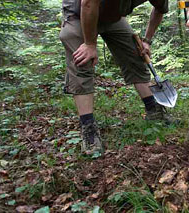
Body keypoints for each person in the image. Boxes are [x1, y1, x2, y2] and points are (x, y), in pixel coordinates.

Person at [59, 0, 175, 154]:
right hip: (79, 14)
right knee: (82, 60)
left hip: (112, 17)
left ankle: (154, 111)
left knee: (136, 54)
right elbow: (87, 4)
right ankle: (88, 129)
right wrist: (90, 44)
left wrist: (147, 41)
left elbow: (159, 9)